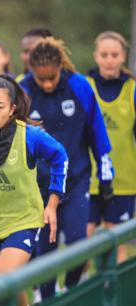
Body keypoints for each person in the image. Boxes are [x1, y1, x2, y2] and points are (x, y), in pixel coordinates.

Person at [0, 75, 67, 306]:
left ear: (12, 109)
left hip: (23, 221)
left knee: (2, 282)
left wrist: (52, 203)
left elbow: (60, 157)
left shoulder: (30, 135)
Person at [20, 37, 114, 300]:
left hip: (75, 181)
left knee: (77, 244)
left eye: (52, 77)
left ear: (61, 66)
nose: (48, 84)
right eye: (42, 79)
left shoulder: (80, 87)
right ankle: (48, 300)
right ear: (31, 71)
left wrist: (106, 174)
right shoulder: (22, 89)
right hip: (38, 186)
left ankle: (72, 290)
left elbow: (97, 131)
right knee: (45, 250)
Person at [87, 31, 136, 263]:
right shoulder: (84, 86)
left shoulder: (132, 89)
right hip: (89, 179)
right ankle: (82, 293)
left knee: (117, 244)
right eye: (104, 54)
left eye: (114, 54)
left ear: (123, 56)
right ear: (96, 56)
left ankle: (118, 297)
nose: (109, 59)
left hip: (123, 182)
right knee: (82, 244)